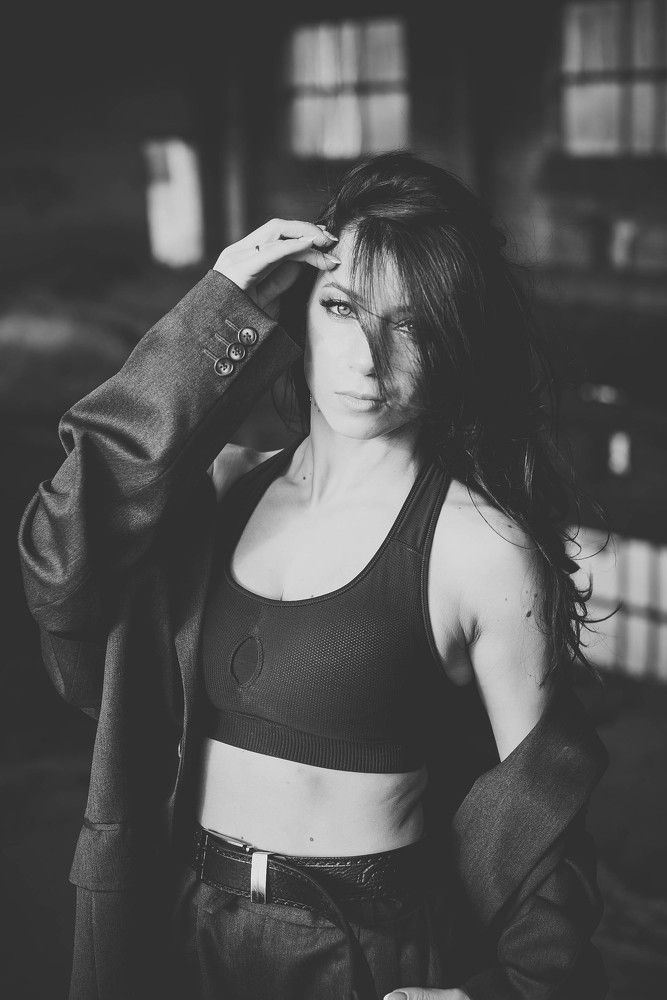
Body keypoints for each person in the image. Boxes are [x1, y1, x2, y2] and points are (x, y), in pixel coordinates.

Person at [18, 153, 609, 1000]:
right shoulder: (221, 487)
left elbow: (543, 806)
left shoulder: (480, 546)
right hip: (177, 922)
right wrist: (215, 309)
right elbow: (57, 557)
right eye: (341, 307)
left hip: (353, 950)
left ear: (454, 340)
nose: (367, 358)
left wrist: (510, 990)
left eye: (411, 325)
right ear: (300, 310)